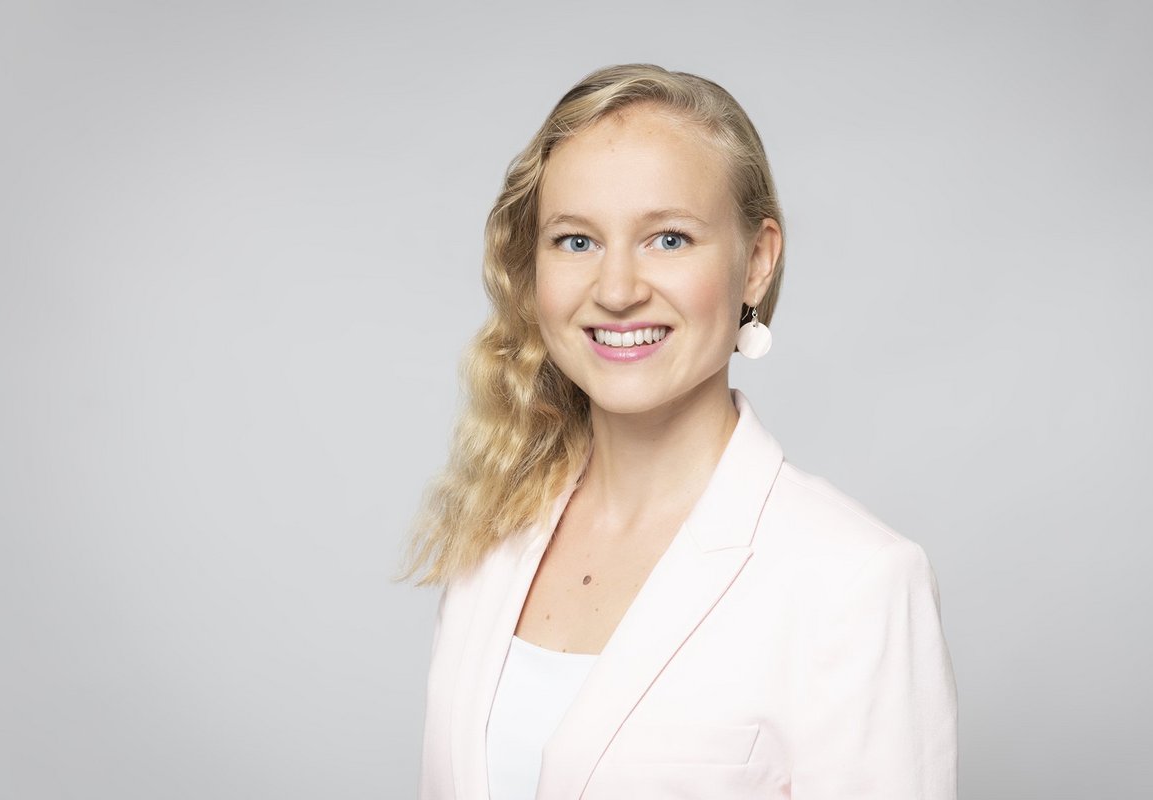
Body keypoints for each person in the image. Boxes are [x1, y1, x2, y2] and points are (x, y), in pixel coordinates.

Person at [405, 63, 957, 799]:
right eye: (576, 241)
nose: (616, 291)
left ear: (756, 263)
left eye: (668, 239)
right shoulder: (492, 537)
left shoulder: (856, 581)